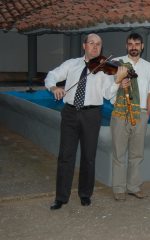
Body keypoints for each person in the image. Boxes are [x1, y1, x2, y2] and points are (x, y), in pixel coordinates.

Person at [45, 33, 128, 210]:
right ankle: (61, 197)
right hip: (70, 113)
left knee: (89, 156)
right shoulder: (71, 64)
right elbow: (51, 75)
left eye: (98, 44)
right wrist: (54, 87)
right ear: (84, 46)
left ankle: (85, 194)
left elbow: (107, 94)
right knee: (65, 156)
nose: (95, 47)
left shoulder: (105, 69)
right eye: (91, 43)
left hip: (92, 114)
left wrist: (117, 81)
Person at [109, 33, 150, 201]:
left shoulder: (148, 66)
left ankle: (133, 187)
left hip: (140, 114)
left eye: (137, 44)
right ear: (126, 46)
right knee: (119, 153)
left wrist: (147, 115)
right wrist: (118, 82)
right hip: (120, 114)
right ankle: (118, 189)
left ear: (142, 46)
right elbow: (107, 90)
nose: (133, 47)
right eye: (130, 44)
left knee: (137, 154)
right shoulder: (116, 63)